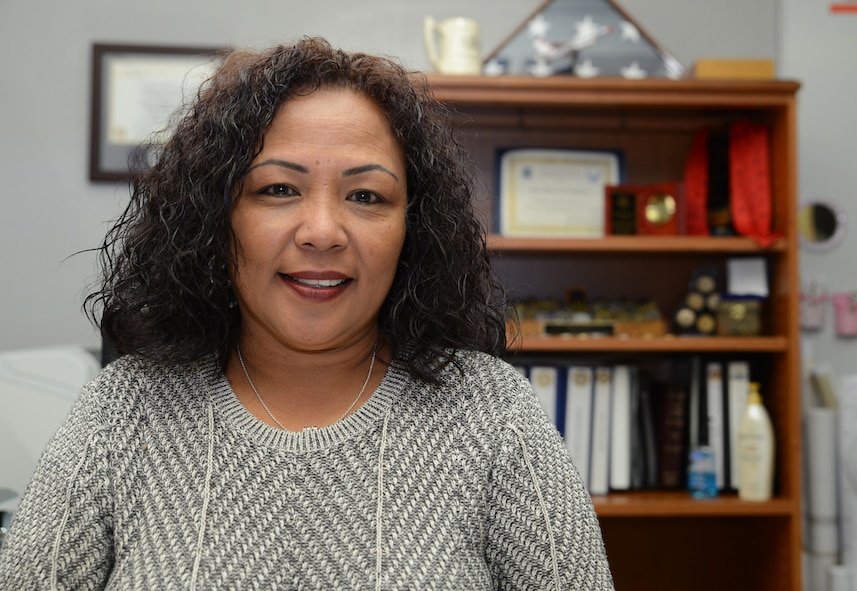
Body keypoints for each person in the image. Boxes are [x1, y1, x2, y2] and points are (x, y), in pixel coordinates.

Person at [0, 37, 614, 590]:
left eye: (366, 196)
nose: (322, 232)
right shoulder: (120, 413)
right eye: (278, 190)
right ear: (218, 220)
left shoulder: (497, 417)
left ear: (413, 230)